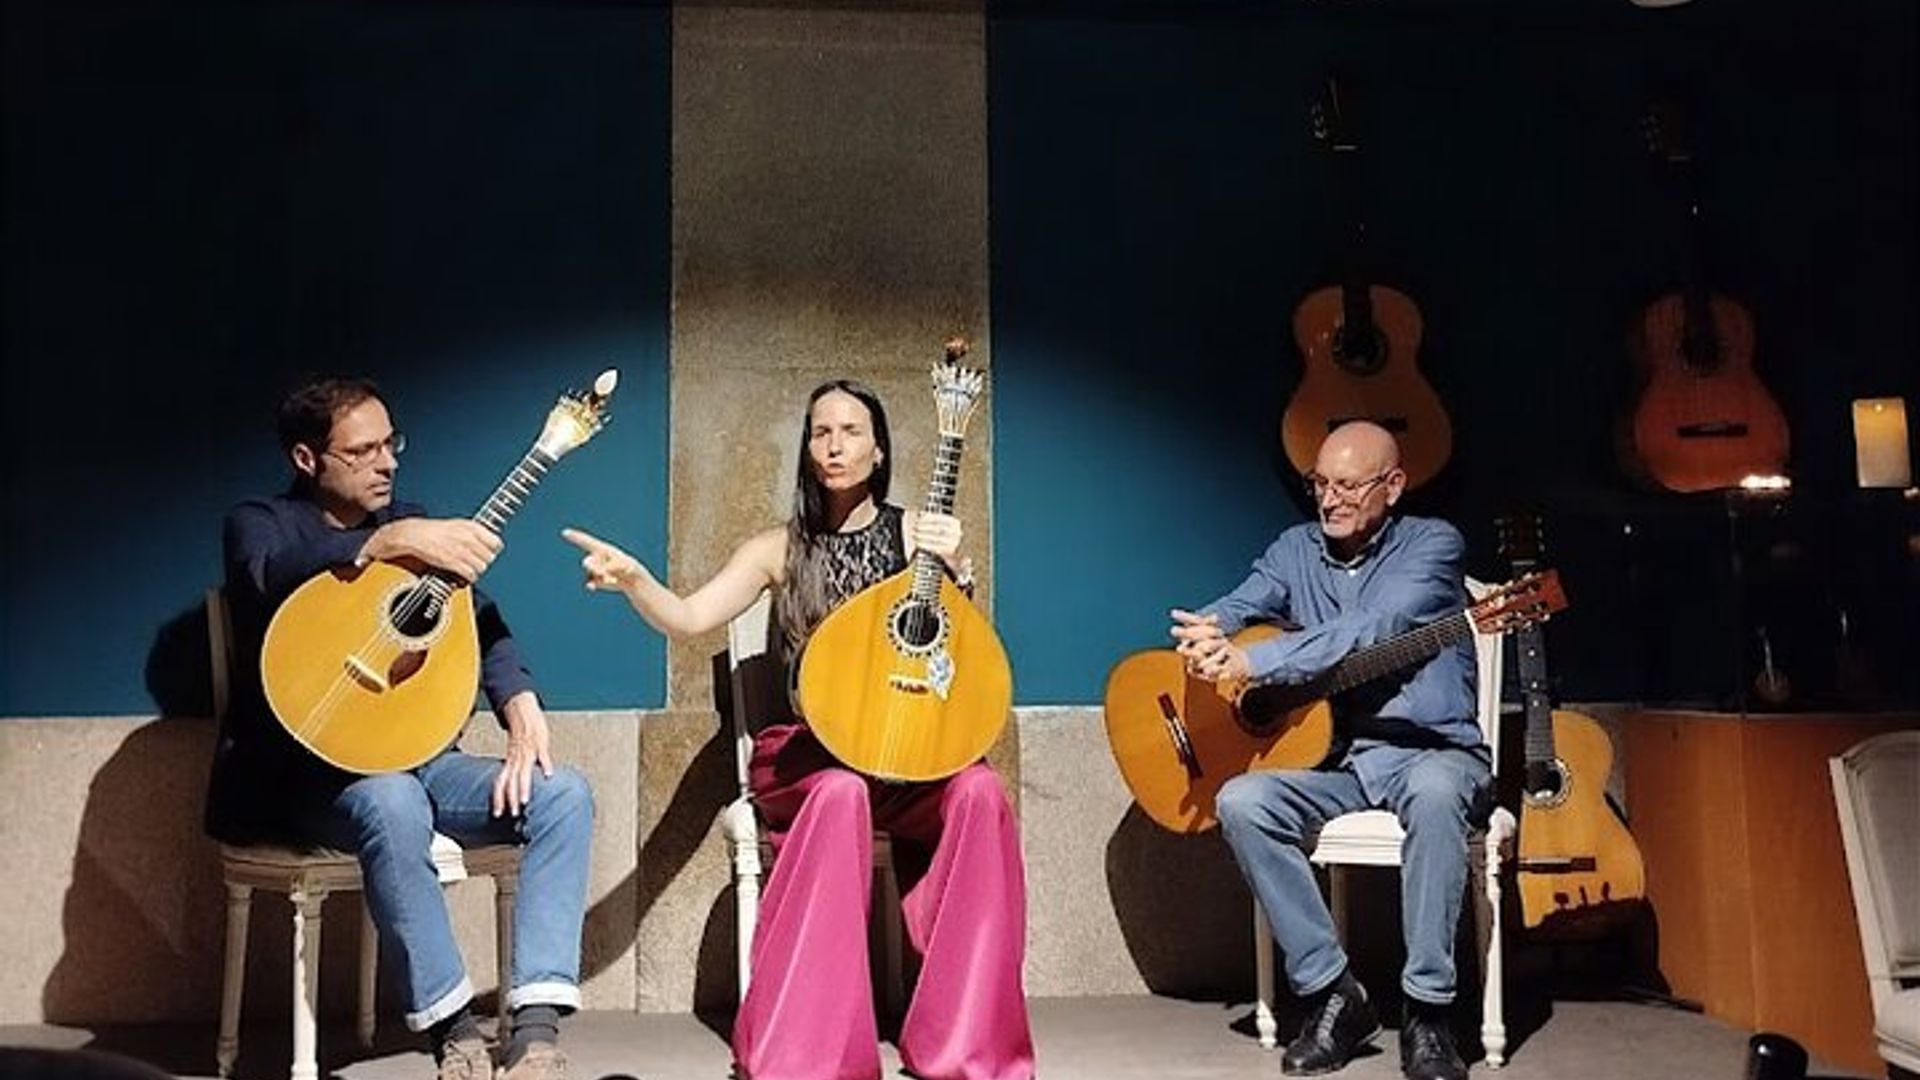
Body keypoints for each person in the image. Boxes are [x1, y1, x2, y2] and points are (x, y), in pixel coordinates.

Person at [563, 378, 1034, 1080]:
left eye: (851, 431)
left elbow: (959, 661)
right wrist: (636, 581)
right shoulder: (777, 548)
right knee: (841, 791)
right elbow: (691, 618)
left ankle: (966, 1044)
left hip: (907, 761)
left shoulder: (917, 536)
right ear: (807, 451)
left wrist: (957, 570)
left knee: (979, 792)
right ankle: (811, 1053)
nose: (835, 444)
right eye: (821, 431)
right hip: (806, 759)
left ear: (879, 452)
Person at [208, 376, 594, 1080]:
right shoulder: (259, 522)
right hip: (308, 777)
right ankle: (452, 1028)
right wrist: (384, 541)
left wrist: (518, 701)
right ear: (306, 459)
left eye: (392, 444)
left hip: (419, 761)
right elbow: (266, 576)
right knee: (390, 801)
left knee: (563, 794)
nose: (386, 462)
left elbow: (480, 617)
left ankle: (535, 1028)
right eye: (362, 451)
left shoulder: (417, 525)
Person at [1171, 420, 1487, 1080]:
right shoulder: (1294, 550)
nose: (1330, 498)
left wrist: (1253, 660)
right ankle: (1333, 994)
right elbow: (1243, 601)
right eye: (1319, 483)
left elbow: (1371, 630)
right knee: (1241, 800)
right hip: (1339, 760)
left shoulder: (1434, 545)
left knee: (1433, 797)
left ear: (1392, 486)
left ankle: (1428, 1012)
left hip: (1432, 754)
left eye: (1348, 484)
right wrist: (1209, 630)